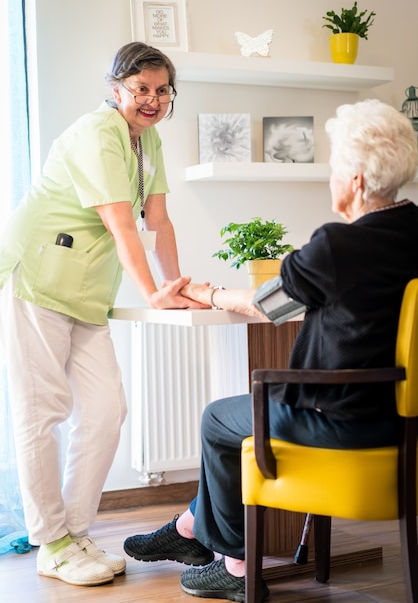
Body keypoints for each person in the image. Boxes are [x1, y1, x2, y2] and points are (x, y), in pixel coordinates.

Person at [123, 98, 418, 602]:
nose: (331, 181)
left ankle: (235, 566)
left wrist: (205, 293)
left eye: (334, 170)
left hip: (338, 418)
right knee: (235, 421)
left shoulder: (337, 246)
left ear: (357, 182)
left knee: (218, 419)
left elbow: (268, 306)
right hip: (399, 420)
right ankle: (191, 528)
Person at [0, 41, 206, 587]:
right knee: (40, 414)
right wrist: (153, 294)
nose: (152, 99)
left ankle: (75, 532)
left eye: (162, 90)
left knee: (106, 409)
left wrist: (173, 285)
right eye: (141, 89)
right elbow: (121, 223)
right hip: (38, 278)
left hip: (87, 291)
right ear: (117, 90)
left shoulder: (149, 140)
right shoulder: (97, 134)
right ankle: (52, 542)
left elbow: (157, 221)